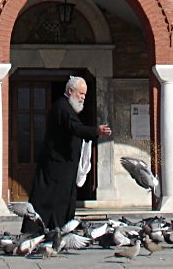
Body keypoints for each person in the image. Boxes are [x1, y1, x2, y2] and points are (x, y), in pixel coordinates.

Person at [23, 76, 111, 232]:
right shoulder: (62, 107)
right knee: (51, 199)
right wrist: (95, 131)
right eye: (81, 94)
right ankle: (43, 230)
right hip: (56, 166)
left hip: (64, 165)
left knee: (63, 199)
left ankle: (59, 230)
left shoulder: (67, 108)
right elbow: (75, 128)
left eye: (85, 94)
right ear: (70, 91)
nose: (83, 97)